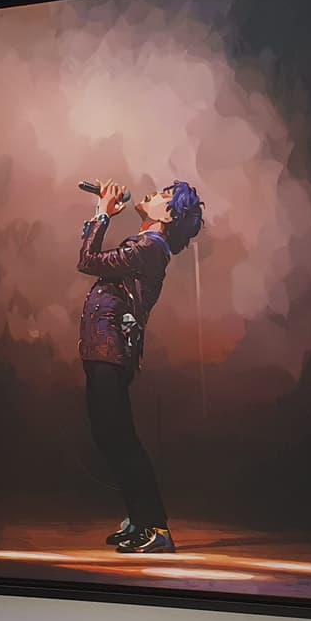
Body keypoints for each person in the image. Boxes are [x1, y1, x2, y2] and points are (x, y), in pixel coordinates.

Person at [77, 177, 204, 554]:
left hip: (111, 351)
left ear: (169, 215)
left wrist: (102, 214)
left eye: (164, 195)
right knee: (109, 436)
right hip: (104, 349)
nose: (153, 193)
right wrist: (102, 215)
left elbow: (88, 261)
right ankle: (138, 520)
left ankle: (156, 528)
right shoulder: (146, 244)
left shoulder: (151, 246)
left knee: (120, 439)